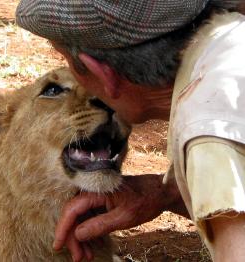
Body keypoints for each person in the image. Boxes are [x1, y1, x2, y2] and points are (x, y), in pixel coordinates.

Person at [15, 1, 245, 261]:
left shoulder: (209, 130)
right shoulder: (230, 35)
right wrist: (166, 193)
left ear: (102, 73)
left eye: (67, 61)